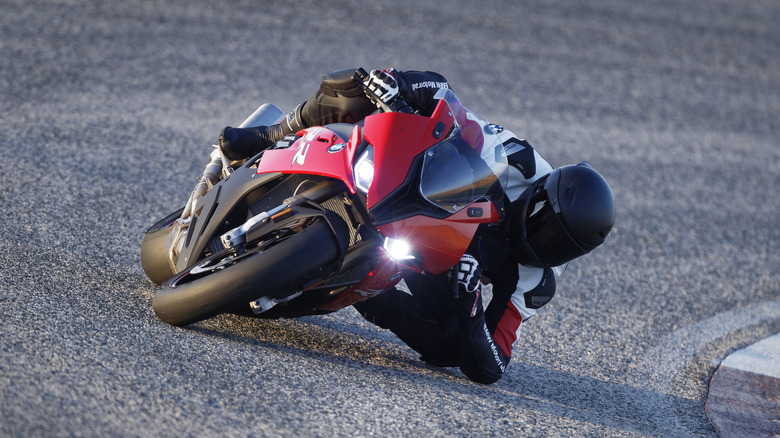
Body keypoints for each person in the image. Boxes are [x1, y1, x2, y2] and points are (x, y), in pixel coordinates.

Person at [219, 68, 615, 384]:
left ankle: (357, 292)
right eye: (546, 226)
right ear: (539, 194)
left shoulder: (537, 281)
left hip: (439, 259)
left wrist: (471, 305)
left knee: (451, 347)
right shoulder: (519, 162)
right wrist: (399, 88)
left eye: (560, 246)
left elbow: (493, 365)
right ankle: (269, 135)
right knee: (358, 87)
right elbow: (449, 102)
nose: (545, 244)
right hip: (423, 187)